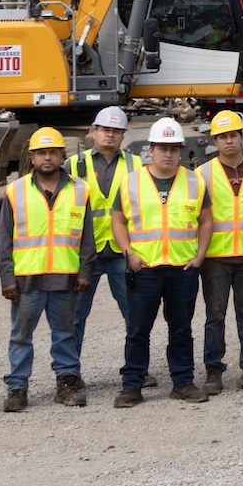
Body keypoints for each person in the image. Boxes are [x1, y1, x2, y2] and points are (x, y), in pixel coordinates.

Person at [110, 117, 212, 407]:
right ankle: (132, 386)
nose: (167, 154)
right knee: (138, 330)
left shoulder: (194, 181)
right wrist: (128, 252)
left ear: (180, 150)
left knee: (181, 329)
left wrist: (200, 256)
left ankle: (183, 382)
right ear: (150, 150)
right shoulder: (130, 182)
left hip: (183, 269)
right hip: (145, 269)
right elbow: (117, 220)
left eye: (173, 148)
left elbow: (206, 221)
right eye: (162, 148)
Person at [0, 127, 94, 411]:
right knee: (21, 335)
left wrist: (85, 271)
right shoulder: (15, 191)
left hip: (65, 277)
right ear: (32, 157)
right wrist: (7, 277)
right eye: (42, 153)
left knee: (65, 333)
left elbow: (87, 237)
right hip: (27, 279)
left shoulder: (79, 189)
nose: (47, 158)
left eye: (53, 152)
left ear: (62, 155)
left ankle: (67, 383)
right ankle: (17, 388)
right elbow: (4, 238)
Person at [68, 106, 153, 388]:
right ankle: (70, 373)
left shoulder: (136, 165)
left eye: (116, 131)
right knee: (76, 316)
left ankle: (137, 368)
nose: (110, 136)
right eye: (106, 130)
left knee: (134, 314)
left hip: (121, 252)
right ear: (94, 132)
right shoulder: (72, 165)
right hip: (84, 255)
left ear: (123, 136)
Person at [200, 109, 243, 395]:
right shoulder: (201, 174)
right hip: (215, 257)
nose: (229, 141)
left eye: (233, 135)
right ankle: (213, 370)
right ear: (215, 141)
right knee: (214, 315)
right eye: (223, 136)